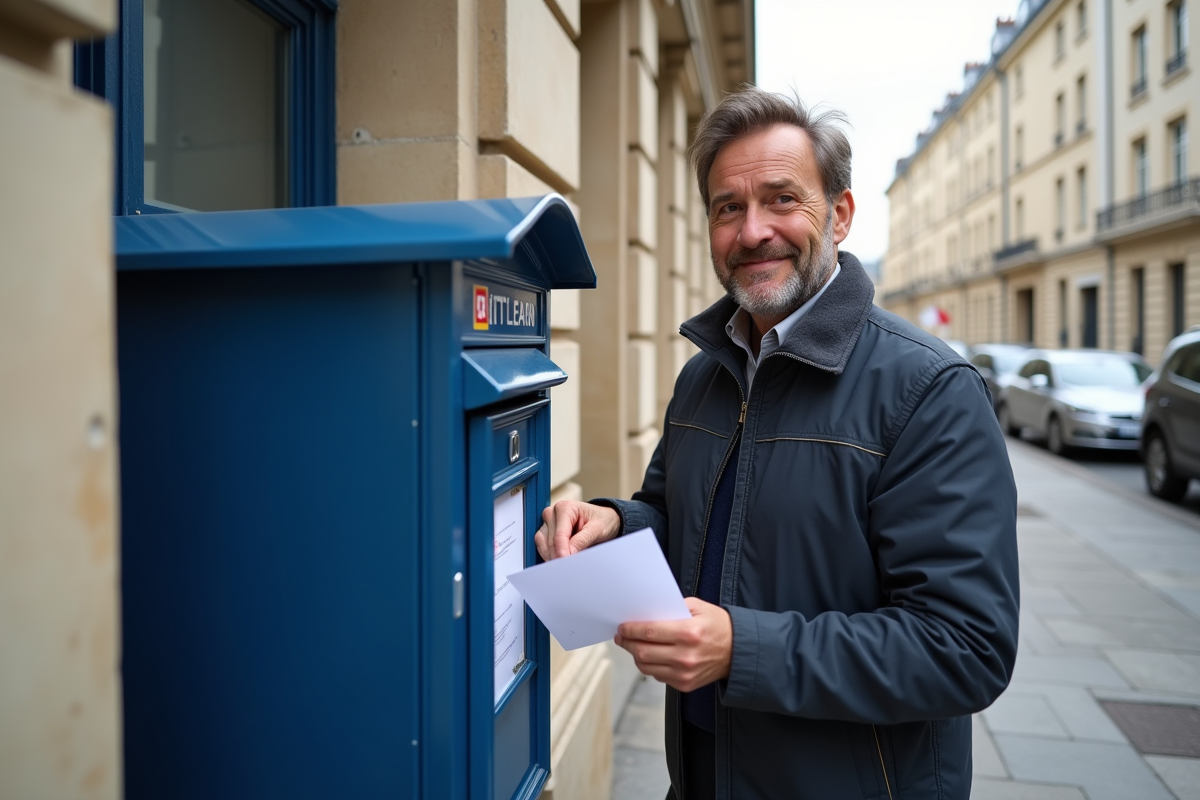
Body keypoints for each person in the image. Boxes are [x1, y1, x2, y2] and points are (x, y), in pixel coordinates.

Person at [535, 87, 1019, 800]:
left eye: (782, 199)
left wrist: (742, 648)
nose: (753, 230)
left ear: (841, 215)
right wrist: (613, 523)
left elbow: (964, 648)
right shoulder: (705, 375)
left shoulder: (929, 389)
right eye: (728, 207)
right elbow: (682, 522)